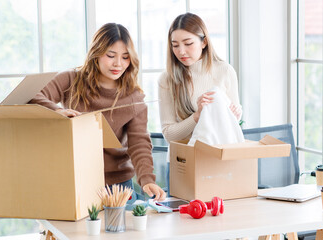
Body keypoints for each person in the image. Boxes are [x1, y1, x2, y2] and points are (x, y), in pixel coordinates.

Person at [30, 23, 166, 201]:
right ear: (96, 53)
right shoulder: (71, 79)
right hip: (75, 179)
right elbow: (33, 95)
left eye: (125, 57)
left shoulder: (133, 96)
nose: (118, 63)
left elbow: (139, 142)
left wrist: (147, 179)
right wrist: (56, 111)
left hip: (117, 186)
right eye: (111, 55)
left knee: (117, 229)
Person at [158, 12, 242, 142]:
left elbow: (233, 123)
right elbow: (168, 134)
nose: (181, 51)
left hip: (219, 155)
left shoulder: (225, 71)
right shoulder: (167, 79)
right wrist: (197, 117)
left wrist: (235, 115)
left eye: (188, 43)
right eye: (175, 45)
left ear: (204, 42)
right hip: (186, 157)